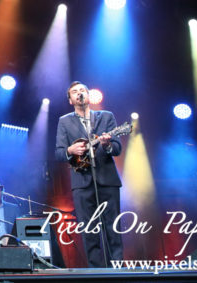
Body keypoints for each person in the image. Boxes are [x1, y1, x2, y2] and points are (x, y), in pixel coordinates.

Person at [55, 81, 123, 267]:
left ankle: (117, 270)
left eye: (82, 90)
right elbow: (59, 153)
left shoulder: (106, 117)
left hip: (107, 180)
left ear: (88, 95)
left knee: (113, 227)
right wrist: (70, 149)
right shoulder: (64, 121)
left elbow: (117, 148)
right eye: (75, 92)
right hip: (82, 182)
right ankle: (96, 272)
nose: (79, 94)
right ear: (70, 100)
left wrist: (107, 144)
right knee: (89, 229)